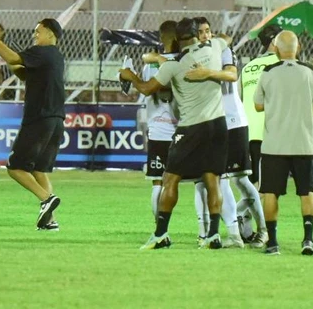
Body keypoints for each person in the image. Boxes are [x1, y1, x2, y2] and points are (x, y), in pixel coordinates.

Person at [120, 18, 229, 250]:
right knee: (212, 181)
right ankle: (213, 235)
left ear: (177, 40)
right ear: (198, 35)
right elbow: (226, 40)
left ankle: (160, 233)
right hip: (218, 124)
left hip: (191, 126)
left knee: (169, 179)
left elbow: (148, 89)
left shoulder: (176, 64)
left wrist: (131, 76)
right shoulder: (216, 47)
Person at [0, 17, 66, 231]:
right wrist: (12, 60)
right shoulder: (55, 56)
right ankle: (50, 219)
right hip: (56, 118)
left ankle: (47, 199)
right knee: (38, 169)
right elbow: (24, 72)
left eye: (38, 31)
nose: (35, 35)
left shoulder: (42, 52)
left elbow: (13, 56)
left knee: (15, 167)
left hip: (39, 117)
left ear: (50, 33)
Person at [252, 30, 313, 256]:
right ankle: (308, 240)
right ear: (298, 47)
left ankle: (273, 242)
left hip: (274, 143)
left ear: (275, 49)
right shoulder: (311, 72)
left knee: (271, 192)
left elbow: (257, 105)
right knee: (307, 191)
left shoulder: (268, 73)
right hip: (303, 142)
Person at [193, 16, 260, 248]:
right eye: (200, 32)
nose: (205, 35)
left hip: (232, 122)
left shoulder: (222, 51)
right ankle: (227, 232)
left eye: (208, 31)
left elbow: (231, 75)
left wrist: (206, 73)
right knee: (213, 181)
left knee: (241, 182)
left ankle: (260, 230)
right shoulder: (196, 56)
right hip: (212, 123)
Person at [139, 21, 179, 221]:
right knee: (203, 182)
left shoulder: (150, 65)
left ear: (162, 37)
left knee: (158, 183)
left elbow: (146, 89)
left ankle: (159, 228)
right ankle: (205, 230)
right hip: (183, 131)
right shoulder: (184, 61)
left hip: (158, 131)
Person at [239, 24, 281, 192]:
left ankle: (247, 216)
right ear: (274, 42)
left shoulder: (248, 67)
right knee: (269, 187)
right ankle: (257, 217)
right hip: (271, 131)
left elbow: (240, 97)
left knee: (255, 182)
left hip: (249, 131)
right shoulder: (281, 63)